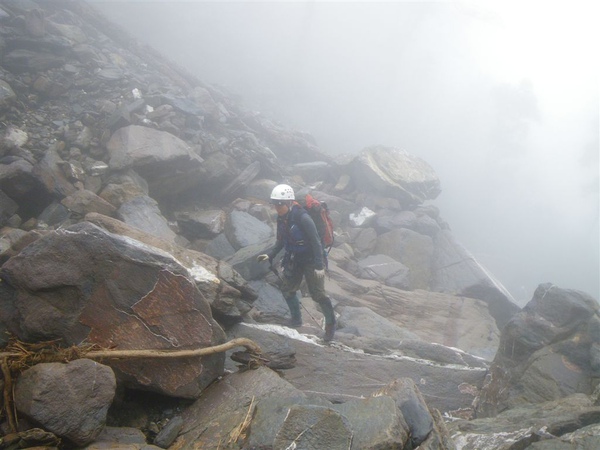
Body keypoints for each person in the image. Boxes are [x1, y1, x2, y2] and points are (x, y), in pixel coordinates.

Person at [257, 184, 336, 342]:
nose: (277, 207)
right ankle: (296, 320)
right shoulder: (282, 218)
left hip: (312, 260)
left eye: (280, 204)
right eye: (275, 204)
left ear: (289, 202)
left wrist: (320, 265)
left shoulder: (303, 217)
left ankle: (330, 328)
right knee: (287, 289)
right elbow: (280, 241)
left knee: (318, 294)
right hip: (295, 258)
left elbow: (315, 241)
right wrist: (270, 255)